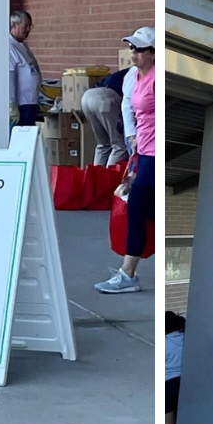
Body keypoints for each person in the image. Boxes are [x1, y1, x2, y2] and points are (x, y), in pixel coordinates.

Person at [95, 27, 154, 294]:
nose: (133, 52)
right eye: (131, 47)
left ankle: (128, 273)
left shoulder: (157, 78)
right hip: (142, 152)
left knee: (138, 210)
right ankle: (130, 270)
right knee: (146, 211)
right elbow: (128, 106)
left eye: (139, 48)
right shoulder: (134, 76)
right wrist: (132, 139)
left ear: (153, 53)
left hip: (155, 153)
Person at [80, 64, 130, 166]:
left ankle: (96, 179)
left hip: (87, 96)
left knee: (103, 145)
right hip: (106, 98)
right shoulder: (141, 73)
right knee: (120, 146)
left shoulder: (130, 71)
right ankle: (110, 180)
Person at [8, 9, 41, 128]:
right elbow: (10, 77)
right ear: (14, 24)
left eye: (30, 26)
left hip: (30, 101)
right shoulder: (9, 46)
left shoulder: (22, 45)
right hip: (21, 103)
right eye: (25, 26)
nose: (28, 30)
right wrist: (12, 104)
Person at [165, 311, 185, 424]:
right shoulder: (186, 338)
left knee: (168, 422)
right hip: (183, 382)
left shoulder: (164, 343)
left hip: (168, 384)